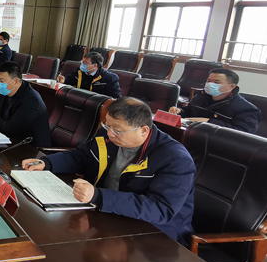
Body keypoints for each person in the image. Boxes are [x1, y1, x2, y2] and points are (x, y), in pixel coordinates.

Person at [21, 97, 195, 244]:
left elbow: (161, 209)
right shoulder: (108, 135)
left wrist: (99, 196)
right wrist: (47, 163)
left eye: (117, 130)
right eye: (107, 126)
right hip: (106, 214)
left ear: (143, 131)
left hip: (153, 237)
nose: (110, 134)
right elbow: (81, 156)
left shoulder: (174, 159)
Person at [169, 68, 261, 133]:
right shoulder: (201, 96)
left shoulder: (246, 109)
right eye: (209, 81)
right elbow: (189, 111)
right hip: (194, 135)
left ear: (232, 86)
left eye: (216, 82)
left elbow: (243, 133)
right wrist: (180, 111)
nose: (210, 85)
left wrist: (209, 122)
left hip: (219, 145)